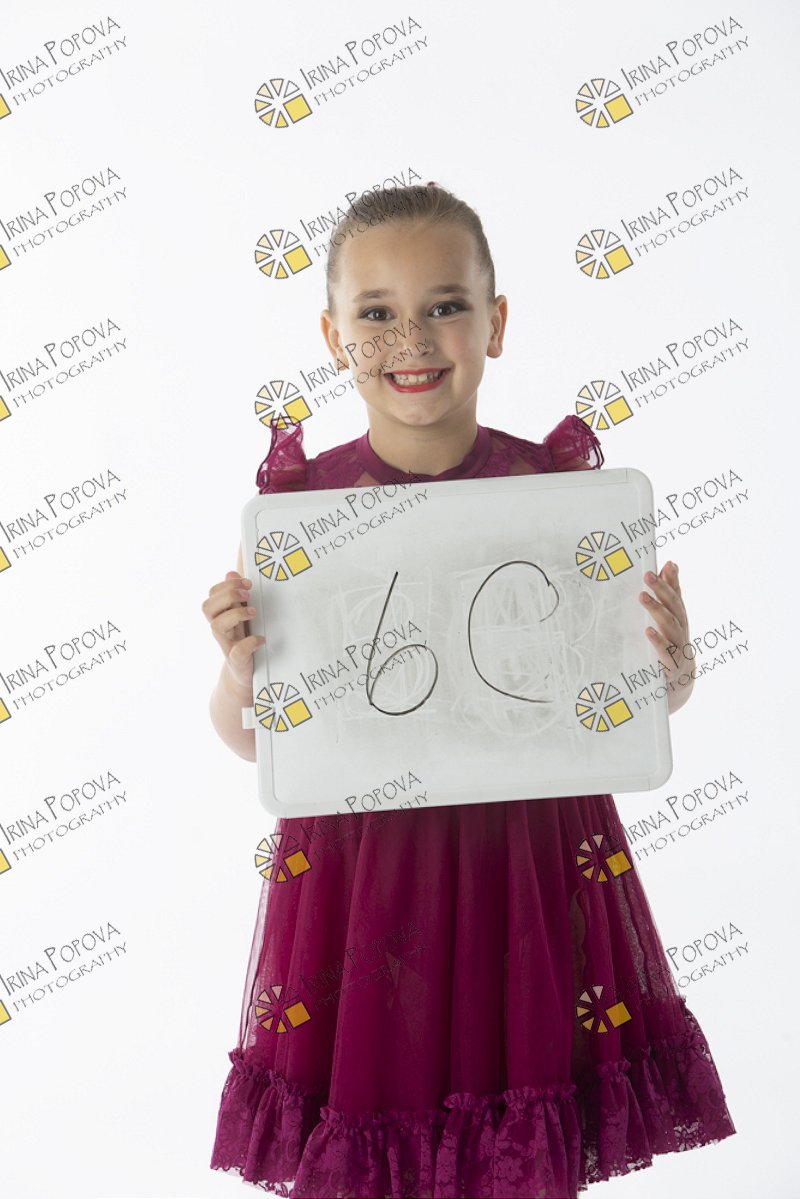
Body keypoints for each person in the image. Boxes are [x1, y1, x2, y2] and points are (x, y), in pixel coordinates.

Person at [204, 183, 736, 1198]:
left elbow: (608, 708)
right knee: (381, 1098)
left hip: (524, 857)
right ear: (333, 336)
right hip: (368, 872)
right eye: (376, 312)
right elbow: (254, 738)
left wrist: (667, 672)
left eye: (445, 305)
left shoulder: (559, 497)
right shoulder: (301, 515)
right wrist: (241, 675)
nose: (411, 338)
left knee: (519, 1094)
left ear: (494, 323)